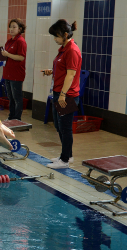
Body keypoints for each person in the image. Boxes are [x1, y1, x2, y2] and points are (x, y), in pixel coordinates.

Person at [43, 20, 81, 169]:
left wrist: (63, 95)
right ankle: (68, 155)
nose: (55, 39)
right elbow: (64, 69)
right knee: (59, 126)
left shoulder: (72, 50)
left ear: (65, 35)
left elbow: (71, 75)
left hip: (67, 94)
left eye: (56, 36)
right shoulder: (64, 48)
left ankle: (64, 161)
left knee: (65, 128)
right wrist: (51, 71)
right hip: (59, 92)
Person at [1, 18, 27, 121]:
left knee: (17, 98)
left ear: (20, 29)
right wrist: (3, 55)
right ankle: (11, 116)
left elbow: (21, 57)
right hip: (8, 73)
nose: (11, 29)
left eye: (14, 27)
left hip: (16, 74)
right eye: (10, 27)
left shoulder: (20, 41)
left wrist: (8, 54)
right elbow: (7, 56)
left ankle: (17, 118)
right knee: (10, 98)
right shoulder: (9, 41)